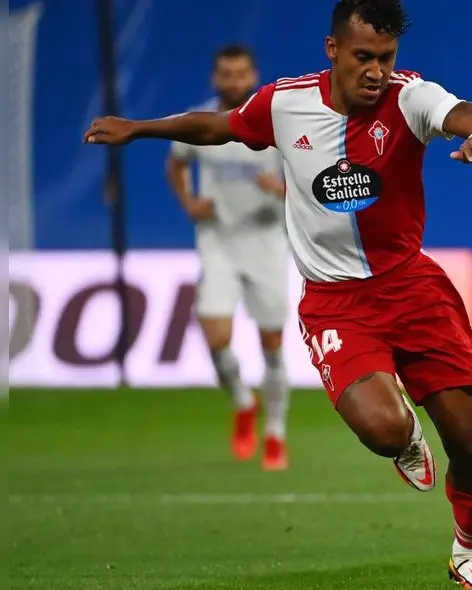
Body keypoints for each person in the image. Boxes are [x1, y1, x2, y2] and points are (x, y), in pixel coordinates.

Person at [85, 2, 472, 587]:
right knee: (384, 430)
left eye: (386, 58)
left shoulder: (411, 97)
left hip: (412, 288)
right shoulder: (286, 103)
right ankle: (408, 438)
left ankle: (468, 550)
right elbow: (217, 126)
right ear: (333, 50)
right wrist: (139, 129)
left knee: (469, 441)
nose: (376, 71)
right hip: (336, 301)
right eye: (363, 57)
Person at [164, 44, 290, 471]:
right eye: (226, 74)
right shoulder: (200, 123)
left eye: (241, 74)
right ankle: (242, 401)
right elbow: (175, 164)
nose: (234, 81)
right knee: (216, 337)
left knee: (272, 346)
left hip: (267, 243)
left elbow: (310, 180)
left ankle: (275, 434)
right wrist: (188, 201)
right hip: (218, 242)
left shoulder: (276, 123)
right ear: (216, 78)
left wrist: (284, 191)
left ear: (253, 75)